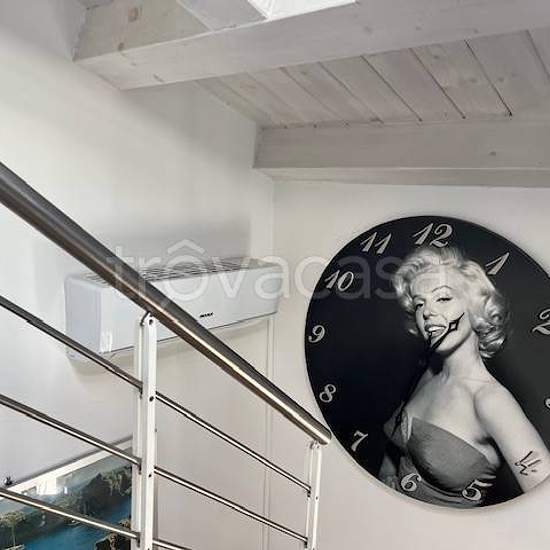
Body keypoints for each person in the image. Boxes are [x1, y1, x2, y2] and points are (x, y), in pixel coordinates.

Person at [379, 246, 550, 508]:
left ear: (475, 308)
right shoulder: (428, 373)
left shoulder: (490, 400)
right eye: (419, 303)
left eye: (443, 298)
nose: (427, 312)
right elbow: (394, 455)